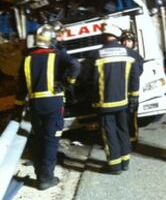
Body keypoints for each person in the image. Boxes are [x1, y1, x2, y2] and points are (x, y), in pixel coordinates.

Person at [14, 24, 80, 190]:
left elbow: (21, 89)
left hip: (35, 105)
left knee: (38, 139)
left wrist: (17, 112)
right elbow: (76, 65)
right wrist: (66, 84)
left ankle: (39, 175)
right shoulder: (57, 55)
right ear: (51, 40)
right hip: (53, 103)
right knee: (51, 140)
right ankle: (46, 179)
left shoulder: (27, 59)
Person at [84, 23, 142, 174]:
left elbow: (85, 78)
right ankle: (125, 162)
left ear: (103, 36)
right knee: (123, 130)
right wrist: (134, 96)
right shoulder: (129, 54)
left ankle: (114, 165)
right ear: (117, 37)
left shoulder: (95, 54)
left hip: (104, 103)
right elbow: (136, 75)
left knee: (109, 132)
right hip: (123, 102)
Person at [120, 30, 144, 145]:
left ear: (133, 43)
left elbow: (137, 75)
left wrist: (134, 96)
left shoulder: (136, 56)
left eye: (129, 41)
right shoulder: (118, 55)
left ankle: (132, 140)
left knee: (131, 118)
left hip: (130, 93)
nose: (126, 43)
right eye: (124, 41)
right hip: (119, 93)